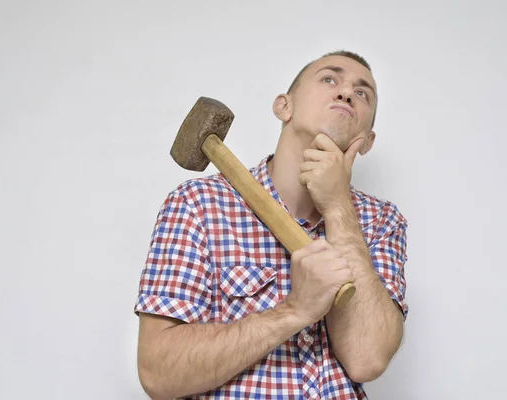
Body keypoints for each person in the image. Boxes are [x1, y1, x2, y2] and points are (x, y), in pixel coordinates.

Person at [134, 50, 409, 399]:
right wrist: (294, 311)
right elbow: (159, 373)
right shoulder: (197, 206)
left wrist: (338, 208)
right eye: (329, 79)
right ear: (283, 106)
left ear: (368, 140)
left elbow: (367, 359)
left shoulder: (382, 221)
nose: (346, 93)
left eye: (363, 92)